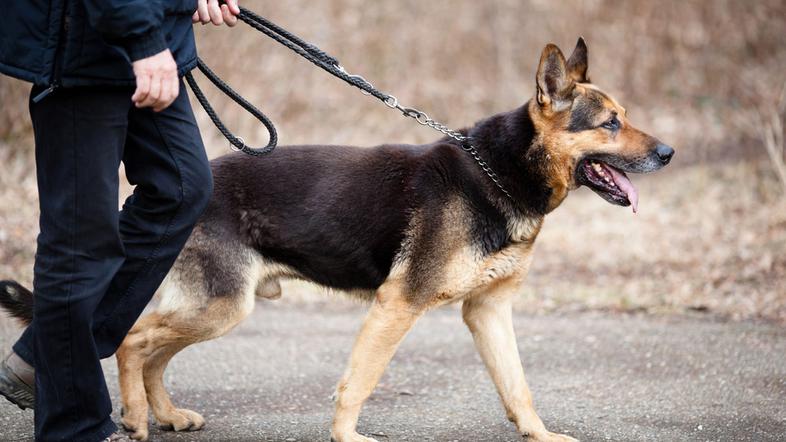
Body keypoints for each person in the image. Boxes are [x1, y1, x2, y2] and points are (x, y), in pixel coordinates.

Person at [0, 1, 241, 440]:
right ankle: (73, 429)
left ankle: (43, 356)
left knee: (181, 189)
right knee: (79, 242)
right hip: (86, 46)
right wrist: (143, 42)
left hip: (145, 36)